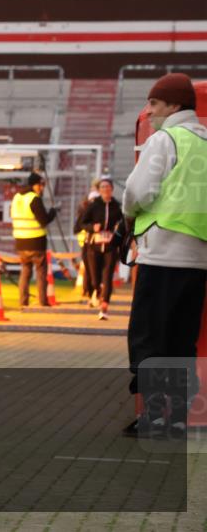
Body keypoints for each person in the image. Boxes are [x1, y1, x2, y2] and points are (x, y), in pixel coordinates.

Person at [121, 73, 207, 439]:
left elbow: (137, 191)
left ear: (174, 105)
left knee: (150, 341)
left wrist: (128, 219)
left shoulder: (164, 139)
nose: (149, 110)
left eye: (154, 103)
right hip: (198, 259)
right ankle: (178, 418)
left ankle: (154, 419)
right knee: (181, 342)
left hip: (161, 255)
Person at [77, 178, 125, 319]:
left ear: (112, 189)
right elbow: (81, 223)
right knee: (95, 278)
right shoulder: (93, 205)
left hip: (110, 246)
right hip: (95, 247)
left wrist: (118, 229)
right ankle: (97, 290)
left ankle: (104, 308)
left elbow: (124, 224)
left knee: (108, 277)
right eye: (103, 187)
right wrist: (93, 227)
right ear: (99, 190)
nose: (105, 189)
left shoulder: (117, 206)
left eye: (108, 187)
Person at [10, 171, 58, 308]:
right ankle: (43, 301)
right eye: (40, 185)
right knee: (41, 272)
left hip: (20, 241)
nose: (42, 188)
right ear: (34, 185)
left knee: (25, 272)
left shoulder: (17, 197)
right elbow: (44, 220)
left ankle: (23, 302)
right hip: (36, 242)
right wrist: (53, 212)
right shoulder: (34, 198)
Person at [73, 179, 101, 305]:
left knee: (92, 269)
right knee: (90, 268)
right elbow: (77, 227)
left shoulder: (95, 209)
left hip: (95, 243)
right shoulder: (85, 211)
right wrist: (90, 227)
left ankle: (91, 291)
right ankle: (90, 291)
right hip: (87, 242)